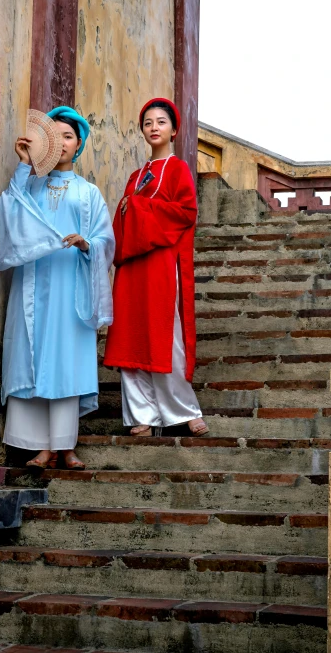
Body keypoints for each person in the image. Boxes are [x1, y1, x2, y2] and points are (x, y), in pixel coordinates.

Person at [0, 106, 115, 469]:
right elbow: (9, 214)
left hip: (71, 286)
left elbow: (106, 240)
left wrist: (87, 245)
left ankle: (65, 446)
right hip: (33, 285)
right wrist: (22, 165)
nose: (61, 142)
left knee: (65, 362)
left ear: (78, 144)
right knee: (35, 355)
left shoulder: (88, 192)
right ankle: (39, 446)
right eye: (55, 135)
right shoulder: (29, 184)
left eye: (68, 136)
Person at [103, 97, 207, 437]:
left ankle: (185, 409)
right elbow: (123, 218)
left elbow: (186, 213)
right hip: (133, 266)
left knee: (166, 336)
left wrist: (139, 210)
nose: (154, 128)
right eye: (148, 122)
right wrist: (130, 208)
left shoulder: (177, 170)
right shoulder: (136, 177)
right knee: (131, 336)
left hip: (163, 261)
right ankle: (141, 416)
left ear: (173, 130)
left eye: (161, 122)